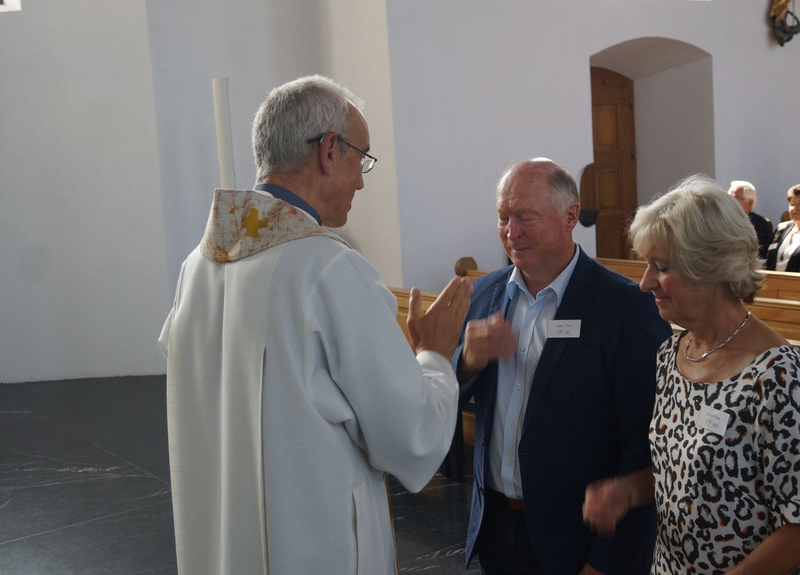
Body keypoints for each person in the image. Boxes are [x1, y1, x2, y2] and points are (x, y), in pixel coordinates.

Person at [158, 75, 473, 575]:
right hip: (310, 546)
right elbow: (410, 435)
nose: (362, 182)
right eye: (361, 159)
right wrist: (434, 352)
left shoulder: (197, 267)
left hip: (224, 540)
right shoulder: (328, 268)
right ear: (329, 150)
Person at [584, 175, 800, 574]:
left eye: (661, 267)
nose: (645, 282)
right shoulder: (672, 353)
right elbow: (684, 470)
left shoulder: (774, 373)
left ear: (712, 266)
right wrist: (629, 490)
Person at [455, 158, 671, 575]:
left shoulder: (624, 308)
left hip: (580, 538)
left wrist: (607, 562)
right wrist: (465, 362)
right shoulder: (483, 294)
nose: (511, 232)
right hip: (496, 528)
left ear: (571, 216)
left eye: (525, 217)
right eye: (503, 217)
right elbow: (448, 396)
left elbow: (646, 451)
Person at [729, 180, 772, 259]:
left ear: (750, 203)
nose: (730, 201)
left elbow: (760, 254)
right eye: (729, 197)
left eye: (735, 198)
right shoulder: (722, 220)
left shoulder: (761, 224)